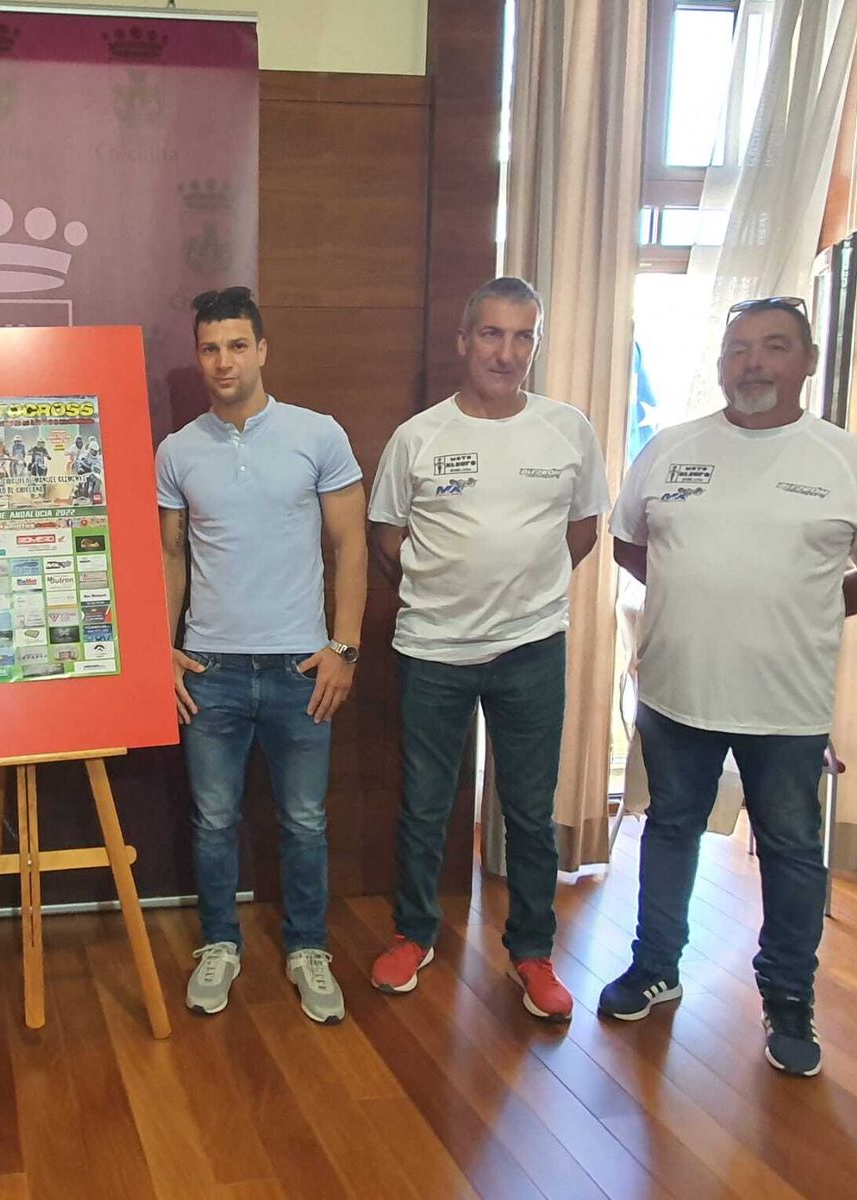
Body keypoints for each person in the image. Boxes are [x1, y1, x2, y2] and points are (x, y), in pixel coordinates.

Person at [602, 296, 857, 1076]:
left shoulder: (846, 460)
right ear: (720, 364)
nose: (753, 363)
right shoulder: (672, 450)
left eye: (774, 347)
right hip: (678, 693)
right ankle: (656, 967)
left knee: (790, 850)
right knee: (670, 830)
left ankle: (787, 999)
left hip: (786, 703)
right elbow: (629, 543)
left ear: (806, 361)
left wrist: (814, 604)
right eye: (739, 348)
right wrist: (694, 596)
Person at [365, 277, 608, 1022]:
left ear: (535, 345)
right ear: (464, 341)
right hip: (433, 652)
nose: (508, 352)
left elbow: (583, 529)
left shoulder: (568, 430)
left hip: (531, 651)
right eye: (493, 335)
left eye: (523, 336)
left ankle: (533, 953)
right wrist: (450, 588)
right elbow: (386, 537)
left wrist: (520, 593)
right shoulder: (420, 436)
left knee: (530, 812)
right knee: (426, 805)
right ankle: (414, 934)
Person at [157, 285, 368, 1025]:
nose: (224, 361)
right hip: (209, 669)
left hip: (299, 668)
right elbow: (171, 556)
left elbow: (350, 549)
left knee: (305, 820)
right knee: (213, 819)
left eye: (237, 345)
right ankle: (220, 942)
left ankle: (308, 948)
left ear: (263, 351)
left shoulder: (319, 435)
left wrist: (345, 647)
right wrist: (162, 648)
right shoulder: (177, 450)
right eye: (210, 347)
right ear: (198, 356)